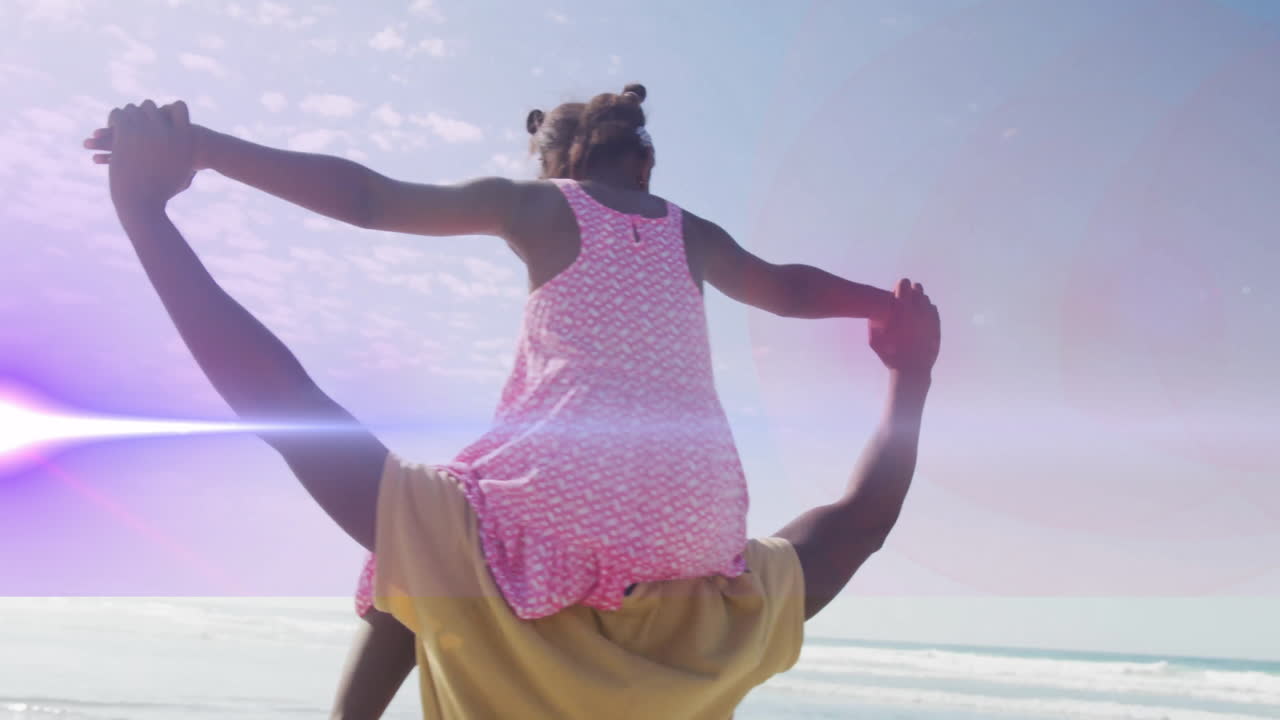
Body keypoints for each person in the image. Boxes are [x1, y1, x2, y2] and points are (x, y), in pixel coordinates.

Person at [85, 89, 938, 718]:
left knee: (425, 530)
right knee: (435, 521)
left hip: (558, 498)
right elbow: (789, 291)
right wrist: (884, 312)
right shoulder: (691, 231)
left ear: (559, 164)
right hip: (696, 527)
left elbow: (368, 200)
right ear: (645, 165)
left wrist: (206, 149)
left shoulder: (538, 205)